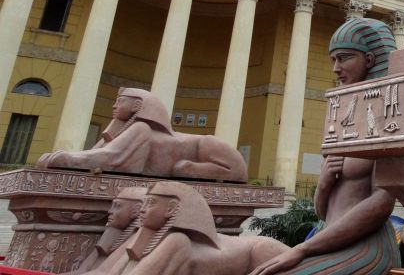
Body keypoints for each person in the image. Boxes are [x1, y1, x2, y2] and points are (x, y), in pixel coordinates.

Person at [250, 18, 401, 275]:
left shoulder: (390, 118)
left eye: (344, 58)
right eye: (333, 59)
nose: (335, 68)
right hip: (326, 238)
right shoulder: (339, 119)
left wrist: (302, 250)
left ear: (370, 60)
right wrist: (324, 182)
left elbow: (381, 206)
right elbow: (322, 212)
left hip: (365, 246)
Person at [37, 87, 248, 181]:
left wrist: (69, 158)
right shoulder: (127, 128)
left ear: (138, 105)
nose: (114, 106)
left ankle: (223, 170)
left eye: (121, 102)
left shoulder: (142, 128)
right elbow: (98, 153)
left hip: (213, 157)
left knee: (207, 142)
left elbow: (113, 158)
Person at [80, 181, 287, 275]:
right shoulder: (145, 237)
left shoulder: (177, 241)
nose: (141, 210)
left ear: (171, 209)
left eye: (150, 203)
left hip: (261, 252)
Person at [65, 187, 148, 274]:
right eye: (112, 206)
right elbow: (82, 271)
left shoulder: (138, 237)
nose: (110, 211)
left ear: (136, 210)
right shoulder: (115, 230)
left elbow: (102, 272)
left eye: (118, 206)